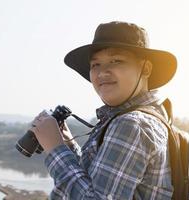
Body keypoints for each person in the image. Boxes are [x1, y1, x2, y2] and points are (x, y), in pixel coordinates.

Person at [30, 21, 177, 199]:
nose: (102, 73)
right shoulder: (146, 117)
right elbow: (97, 183)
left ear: (145, 68)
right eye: (95, 65)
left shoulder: (132, 124)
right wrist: (68, 146)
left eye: (116, 61)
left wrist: (55, 149)